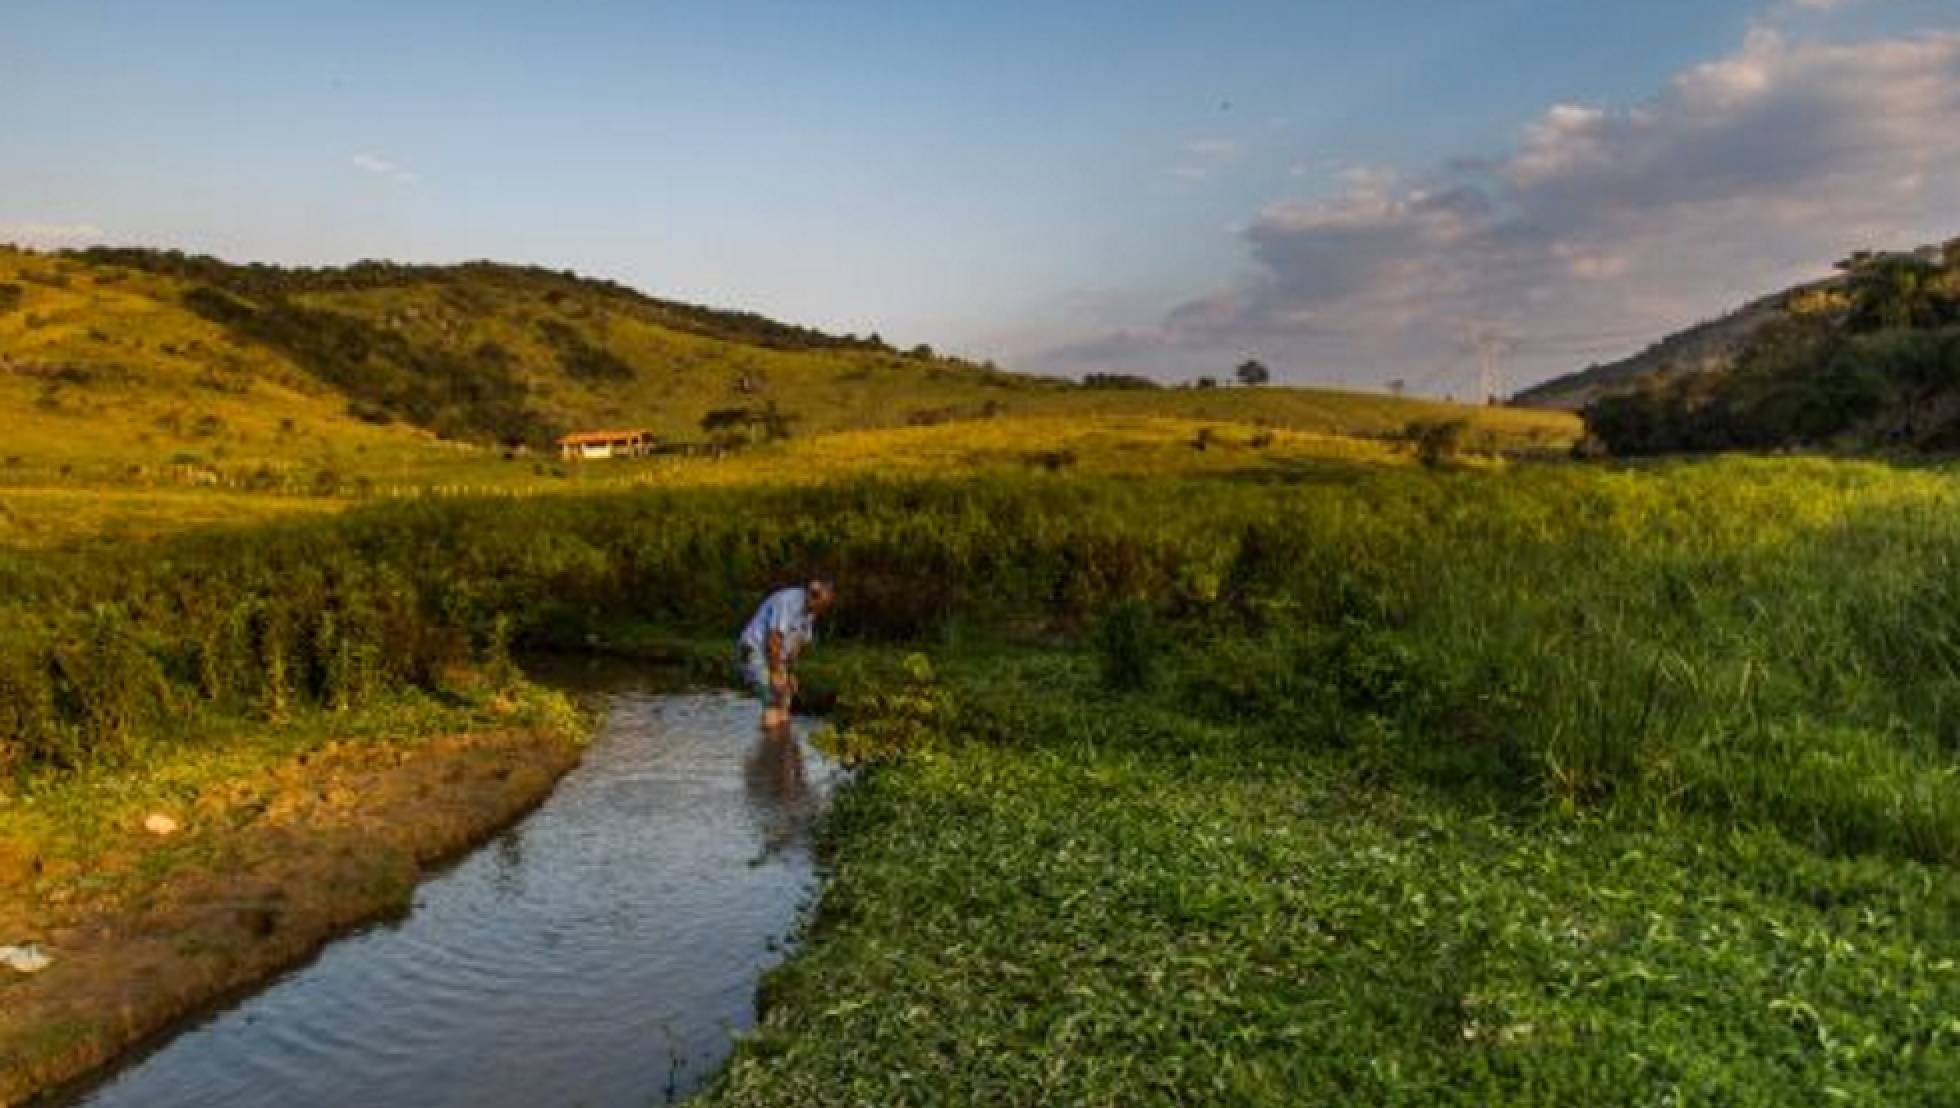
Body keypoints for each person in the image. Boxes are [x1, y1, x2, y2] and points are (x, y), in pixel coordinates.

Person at [737, 578, 836, 730]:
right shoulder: (786, 602)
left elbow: (796, 646)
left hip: (774, 656)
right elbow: (774, 639)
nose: (821, 610)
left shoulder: (810, 612)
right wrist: (776, 673)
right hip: (754, 650)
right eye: (821, 605)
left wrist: (791, 674)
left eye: (824, 606)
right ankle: (770, 748)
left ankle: (781, 746)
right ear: (812, 595)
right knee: (774, 700)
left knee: (785, 700)